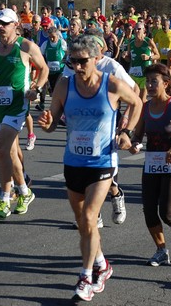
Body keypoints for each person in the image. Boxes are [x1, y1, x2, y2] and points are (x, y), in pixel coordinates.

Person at [38, 34, 142, 302]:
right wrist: (47, 122)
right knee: (83, 222)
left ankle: (86, 276)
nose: (78, 66)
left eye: (83, 61)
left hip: (102, 162)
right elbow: (52, 125)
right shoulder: (64, 85)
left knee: (88, 217)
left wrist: (127, 131)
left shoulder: (113, 85)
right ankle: (102, 264)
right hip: (73, 161)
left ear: (97, 59)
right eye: (73, 61)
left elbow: (138, 102)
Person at [0, 8, 48, 220]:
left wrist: (36, 88)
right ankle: (25, 192)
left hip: (19, 103)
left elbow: (44, 69)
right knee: (10, 152)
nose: (0, 26)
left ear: (15, 25)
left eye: (5, 23)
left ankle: (4, 200)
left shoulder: (26, 46)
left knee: (1, 150)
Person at [129, 63, 171, 267]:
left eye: (154, 81)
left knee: (167, 213)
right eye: (148, 81)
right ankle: (161, 250)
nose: (150, 85)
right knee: (149, 211)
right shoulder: (146, 108)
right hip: (152, 164)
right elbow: (138, 135)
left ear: (166, 84)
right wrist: (134, 144)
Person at [127, 22, 160, 102]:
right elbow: (129, 59)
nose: (137, 31)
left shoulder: (148, 41)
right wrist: (125, 57)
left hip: (145, 74)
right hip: (134, 74)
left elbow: (158, 55)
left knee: (142, 99)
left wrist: (149, 57)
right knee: (133, 99)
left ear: (143, 30)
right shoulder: (130, 42)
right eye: (135, 29)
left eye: (139, 29)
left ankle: (145, 113)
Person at [38, 27, 67, 111]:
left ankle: (58, 107)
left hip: (59, 71)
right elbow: (41, 56)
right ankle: (42, 103)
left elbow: (66, 54)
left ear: (58, 36)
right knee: (44, 85)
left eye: (53, 37)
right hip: (49, 70)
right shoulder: (45, 44)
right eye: (50, 37)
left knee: (56, 89)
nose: (51, 38)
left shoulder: (62, 43)